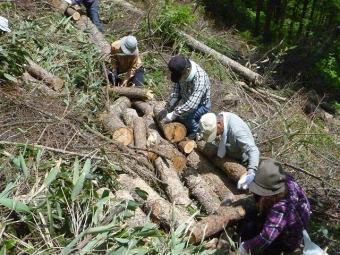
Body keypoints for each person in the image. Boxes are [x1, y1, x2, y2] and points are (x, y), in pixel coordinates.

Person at [237, 158, 311, 255]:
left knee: (248, 229)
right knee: (251, 214)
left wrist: (244, 248)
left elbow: (266, 237)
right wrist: (250, 174)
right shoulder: (285, 179)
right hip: (295, 224)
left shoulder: (281, 207)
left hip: (289, 239)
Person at [199, 112, 259, 189]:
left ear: (219, 124)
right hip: (231, 148)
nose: (216, 135)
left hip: (244, 159)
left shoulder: (236, 131)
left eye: (215, 132)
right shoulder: (221, 117)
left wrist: (251, 171)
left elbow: (253, 150)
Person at [164, 55, 211, 139]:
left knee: (188, 118)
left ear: (187, 70)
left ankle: (196, 133)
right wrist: (172, 101)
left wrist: (175, 113)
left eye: (180, 77)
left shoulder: (200, 79)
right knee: (180, 117)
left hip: (201, 104)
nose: (179, 79)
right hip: (188, 100)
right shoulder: (180, 69)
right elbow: (176, 86)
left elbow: (192, 104)